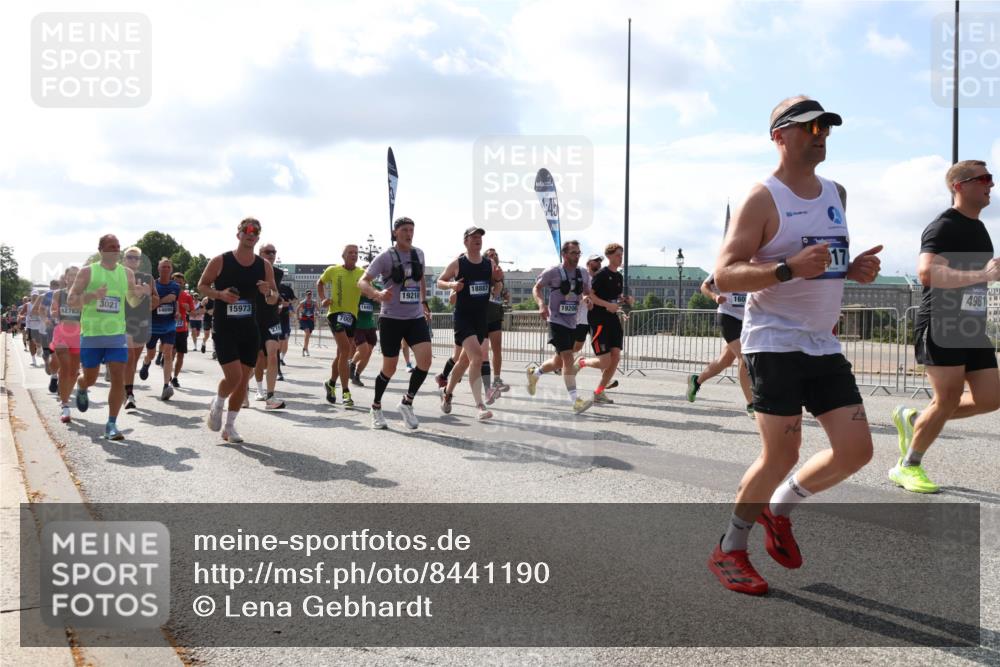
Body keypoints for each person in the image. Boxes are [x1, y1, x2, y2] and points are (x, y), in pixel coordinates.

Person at [708, 96, 882, 595]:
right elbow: (724, 274)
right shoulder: (761, 198)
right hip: (774, 341)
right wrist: (785, 269)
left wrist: (851, 270)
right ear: (779, 136)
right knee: (781, 454)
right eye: (809, 127)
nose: (821, 134)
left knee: (855, 452)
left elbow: (822, 260)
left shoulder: (836, 192)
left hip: (822, 344)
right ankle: (730, 547)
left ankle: (777, 509)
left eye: (826, 126)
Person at [890, 160, 999, 493]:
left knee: (991, 398)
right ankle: (908, 466)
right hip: (942, 323)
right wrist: (983, 274)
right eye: (983, 179)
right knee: (948, 398)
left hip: (972, 325)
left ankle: (915, 420)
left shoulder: (979, 228)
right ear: (959, 185)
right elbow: (927, 273)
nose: (990, 185)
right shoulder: (943, 226)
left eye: (991, 179)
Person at [198, 218, 279, 442]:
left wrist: (267, 293)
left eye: (255, 231)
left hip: (248, 330)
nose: (251, 234)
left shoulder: (264, 266)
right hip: (225, 328)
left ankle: (230, 427)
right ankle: (218, 402)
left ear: (258, 237)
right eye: (247, 230)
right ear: (239, 234)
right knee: (233, 377)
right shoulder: (221, 260)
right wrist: (220, 295)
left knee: (243, 382)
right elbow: (201, 286)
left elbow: (274, 299)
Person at [68, 234, 150, 440]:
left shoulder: (127, 274)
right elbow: (71, 300)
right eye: (111, 247)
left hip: (116, 335)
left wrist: (140, 293)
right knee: (91, 377)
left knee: (118, 377)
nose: (116, 250)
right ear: (101, 250)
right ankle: (82, 385)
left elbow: (130, 301)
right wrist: (93, 296)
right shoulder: (88, 272)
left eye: (118, 247)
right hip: (92, 334)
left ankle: (111, 424)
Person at [359, 217, 433, 429]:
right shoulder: (385, 257)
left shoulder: (419, 254)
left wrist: (424, 303)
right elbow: (362, 281)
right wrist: (376, 293)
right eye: (404, 230)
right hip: (391, 318)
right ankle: (375, 406)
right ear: (395, 233)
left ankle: (407, 403)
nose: (409, 234)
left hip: (415, 317)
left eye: (411, 230)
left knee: (425, 361)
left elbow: (420, 280)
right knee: (389, 368)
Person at [437, 227, 499, 420]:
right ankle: (480, 406)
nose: (478, 240)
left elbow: (496, 287)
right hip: (463, 318)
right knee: (477, 359)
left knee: (464, 362)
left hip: (481, 319)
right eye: (474, 237)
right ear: (465, 241)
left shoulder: (489, 264)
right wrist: (452, 285)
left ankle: (447, 393)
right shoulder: (458, 263)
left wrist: (498, 282)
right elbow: (440, 281)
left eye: (480, 237)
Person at [526, 240, 594, 414]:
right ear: (564, 254)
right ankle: (575, 401)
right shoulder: (553, 272)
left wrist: (587, 298)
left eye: (578, 253)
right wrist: (541, 304)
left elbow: (587, 291)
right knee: (568, 358)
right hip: (556, 320)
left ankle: (535, 374)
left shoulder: (583, 273)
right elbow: (537, 288)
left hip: (573, 321)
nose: (577, 256)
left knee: (558, 361)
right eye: (573, 253)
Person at [686, 272, 754, 418]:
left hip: (747, 320)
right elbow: (704, 286)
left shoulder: (755, 263)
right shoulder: (724, 265)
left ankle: (696, 381)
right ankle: (751, 404)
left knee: (725, 361)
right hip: (728, 317)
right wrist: (715, 297)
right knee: (744, 358)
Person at [576, 244, 635, 404]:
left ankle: (599, 392)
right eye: (617, 255)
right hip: (598, 320)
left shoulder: (619, 277)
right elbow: (590, 295)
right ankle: (582, 362)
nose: (620, 257)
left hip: (613, 320)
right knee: (605, 361)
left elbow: (614, 298)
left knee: (615, 358)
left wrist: (625, 301)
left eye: (622, 255)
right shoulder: (602, 274)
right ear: (609, 256)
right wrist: (607, 305)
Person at [318, 245, 365, 408]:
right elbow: (320, 283)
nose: (354, 255)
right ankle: (346, 392)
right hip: (335, 313)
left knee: (342, 354)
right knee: (345, 350)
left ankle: (331, 383)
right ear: (343, 255)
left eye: (356, 253)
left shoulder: (361, 273)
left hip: (352, 316)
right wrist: (323, 298)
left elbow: (368, 287)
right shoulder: (333, 270)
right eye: (350, 253)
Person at [139, 259, 180, 401]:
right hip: (152, 325)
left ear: (171, 269)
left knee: (168, 354)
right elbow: (148, 304)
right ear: (158, 268)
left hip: (169, 325)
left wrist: (176, 311)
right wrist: (160, 301)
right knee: (151, 353)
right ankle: (146, 362)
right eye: (163, 267)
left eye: (168, 267)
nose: (166, 269)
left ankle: (166, 386)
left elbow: (174, 298)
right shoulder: (152, 284)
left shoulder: (175, 285)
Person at [252, 243, 286, 410]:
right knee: (259, 358)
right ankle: (258, 389)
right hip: (253, 318)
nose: (271, 254)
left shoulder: (278, 273)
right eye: (268, 252)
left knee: (273, 355)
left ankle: (270, 396)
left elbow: (275, 295)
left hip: (272, 318)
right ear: (260, 253)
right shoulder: (251, 270)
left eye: (274, 252)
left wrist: (271, 295)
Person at [122, 247, 154, 411]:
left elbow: (156, 301)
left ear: (140, 261)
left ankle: (125, 386)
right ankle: (129, 394)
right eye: (130, 257)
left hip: (141, 323)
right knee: (129, 357)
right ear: (124, 259)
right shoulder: (118, 276)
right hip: (123, 323)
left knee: (133, 361)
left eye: (136, 258)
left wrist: (147, 294)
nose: (133, 260)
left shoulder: (147, 278)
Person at [49, 267, 82, 423]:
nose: (74, 278)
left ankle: (65, 396)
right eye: (71, 276)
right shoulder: (58, 294)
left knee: (74, 372)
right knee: (66, 368)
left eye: (77, 276)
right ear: (66, 278)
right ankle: (65, 405)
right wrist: (55, 312)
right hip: (62, 331)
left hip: (78, 333)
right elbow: (53, 311)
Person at [483, 247, 511, 393]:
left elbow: (501, 292)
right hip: (481, 316)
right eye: (490, 255)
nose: (494, 256)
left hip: (495, 315)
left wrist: (506, 295)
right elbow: (494, 291)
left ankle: (497, 379)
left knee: (497, 349)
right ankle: (454, 373)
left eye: (496, 254)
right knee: (477, 353)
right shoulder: (482, 271)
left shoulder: (500, 274)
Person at [350, 281, 379, 387]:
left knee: (368, 353)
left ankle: (357, 376)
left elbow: (381, 297)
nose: (367, 289)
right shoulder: (356, 298)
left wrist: (376, 293)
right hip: (358, 327)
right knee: (364, 350)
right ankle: (352, 365)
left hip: (371, 327)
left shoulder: (371, 298)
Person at [170, 272, 196, 388]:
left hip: (182, 329)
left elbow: (193, 312)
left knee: (180, 355)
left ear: (183, 283)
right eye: (176, 281)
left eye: (180, 282)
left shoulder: (188, 296)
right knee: (171, 353)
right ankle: (168, 375)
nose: (178, 284)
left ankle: (175, 377)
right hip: (170, 328)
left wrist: (188, 309)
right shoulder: (169, 293)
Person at [296, 290, 317, 356]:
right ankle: (305, 349)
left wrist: (317, 313)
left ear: (311, 295)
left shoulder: (314, 302)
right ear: (306, 295)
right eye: (308, 295)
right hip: (304, 319)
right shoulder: (303, 302)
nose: (309, 296)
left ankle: (305, 348)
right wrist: (298, 317)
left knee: (308, 335)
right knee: (307, 333)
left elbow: (318, 309)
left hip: (311, 320)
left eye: (310, 294)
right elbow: (297, 309)